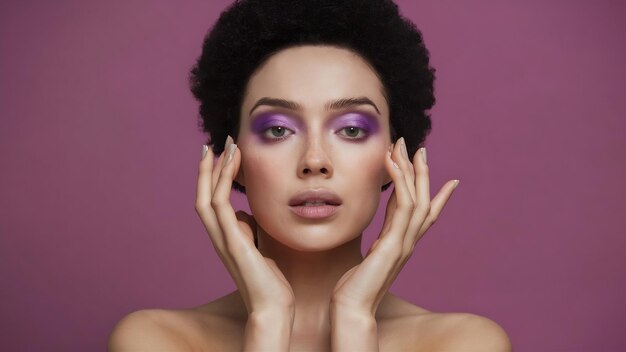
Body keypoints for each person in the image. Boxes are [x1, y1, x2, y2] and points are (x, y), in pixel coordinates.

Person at [108, 0, 512, 350]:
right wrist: (268, 319)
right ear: (235, 158)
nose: (315, 161)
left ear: (396, 156)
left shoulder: (464, 343)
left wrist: (354, 319)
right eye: (278, 129)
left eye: (352, 129)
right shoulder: (158, 340)